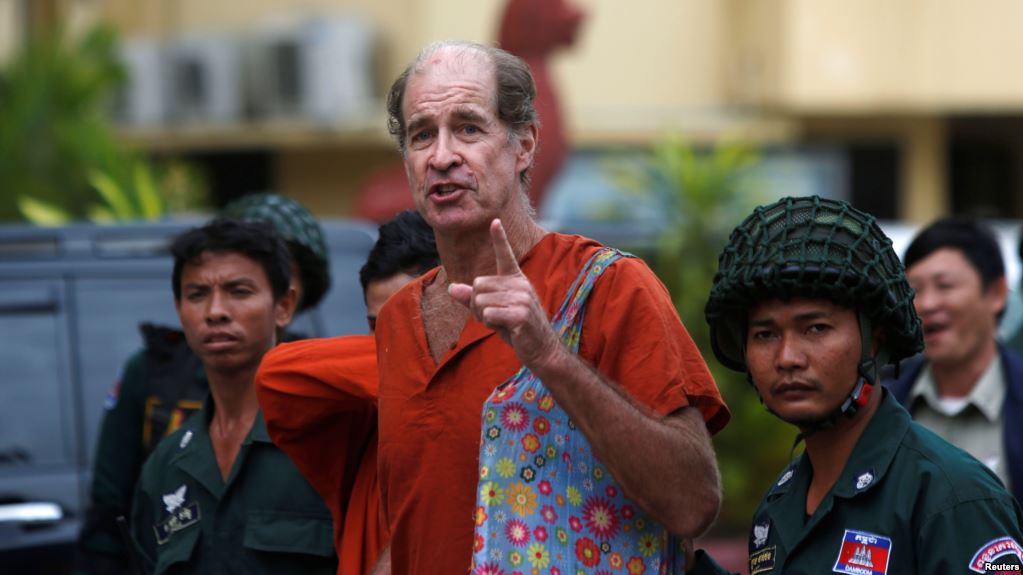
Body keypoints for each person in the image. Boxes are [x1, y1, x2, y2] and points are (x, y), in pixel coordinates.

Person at [374, 41, 729, 575]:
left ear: (525, 145)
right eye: (422, 134)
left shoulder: (608, 287)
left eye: (468, 127)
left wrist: (548, 354)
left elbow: (694, 503)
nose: (441, 155)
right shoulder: (399, 317)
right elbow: (413, 525)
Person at [694, 195, 1023, 574]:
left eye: (816, 328)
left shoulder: (952, 498)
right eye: (765, 334)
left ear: (875, 340)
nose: (787, 357)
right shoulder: (779, 504)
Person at [74, 193, 330, 575]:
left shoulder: (333, 435)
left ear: (285, 304)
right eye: (197, 294)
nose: (215, 312)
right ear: (178, 307)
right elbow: (112, 528)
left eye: (239, 291)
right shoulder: (165, 465)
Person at [255, 210, 439, 575]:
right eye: (378, 327)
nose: (387, 342)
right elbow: (276, 374)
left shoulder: (502, 410)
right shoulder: (360, 421)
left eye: (404, 322)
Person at [885, 217, 1023, 503]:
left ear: (996, 293)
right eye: (914, 291)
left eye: (945, 285)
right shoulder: (882, 405)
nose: (926, 304)